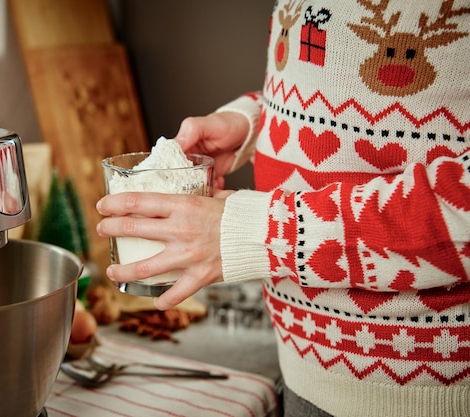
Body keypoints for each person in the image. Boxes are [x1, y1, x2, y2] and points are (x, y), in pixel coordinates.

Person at [96, 1, 470, 415]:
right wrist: (258, 120)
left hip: (424, 393)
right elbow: (340, 71)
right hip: (301, 367)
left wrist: (265, 233)